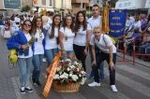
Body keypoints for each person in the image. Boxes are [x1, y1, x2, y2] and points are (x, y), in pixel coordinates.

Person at [7, 20, 33, 94]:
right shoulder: (17, 33)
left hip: (30, 55)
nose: (27, 26)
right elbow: (9, 43)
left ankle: (27, 85)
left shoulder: (31, 34)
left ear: (31, 27)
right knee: (23, 72)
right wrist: (20, 46)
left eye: (29, 25)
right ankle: (22, 86)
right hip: (21, 56)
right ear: (23, 25)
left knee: (28, 71)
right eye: (26, 24)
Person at [88, 27, 118, 92]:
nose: (97, 34)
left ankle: (112, 84)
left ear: (101, 32)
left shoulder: (105, 37)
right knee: (94, 65)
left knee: (111, 67)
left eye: (98, 32)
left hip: (111, 52)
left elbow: (111, 48)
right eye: (95, 32)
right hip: (103, 52)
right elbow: (92, 48)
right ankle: (97, 82)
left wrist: (111, 61)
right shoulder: (93, 37)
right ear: (93, 33)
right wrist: (94, 60)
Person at [88, 4, 104, 81]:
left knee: (100, 61)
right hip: (92, 43)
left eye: (96, 10)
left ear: (99, 10)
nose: (95, 11)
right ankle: (94, 73)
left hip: (101, 42)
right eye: (93, 10)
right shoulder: (89, 20)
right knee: (92, 59)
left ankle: (101, 75)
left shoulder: (103, 18)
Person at [31, 16, 45, 87]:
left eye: (40, 21)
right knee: (37, 67)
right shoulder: (32, 30)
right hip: (35, 51)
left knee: (39, 67)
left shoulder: (42, 30)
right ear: (34, 22)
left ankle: (37, 79)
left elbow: (43, 41)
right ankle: (34, 79)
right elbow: (30, 41)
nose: (39, 22)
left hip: (41, 51)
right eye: (37, 21)